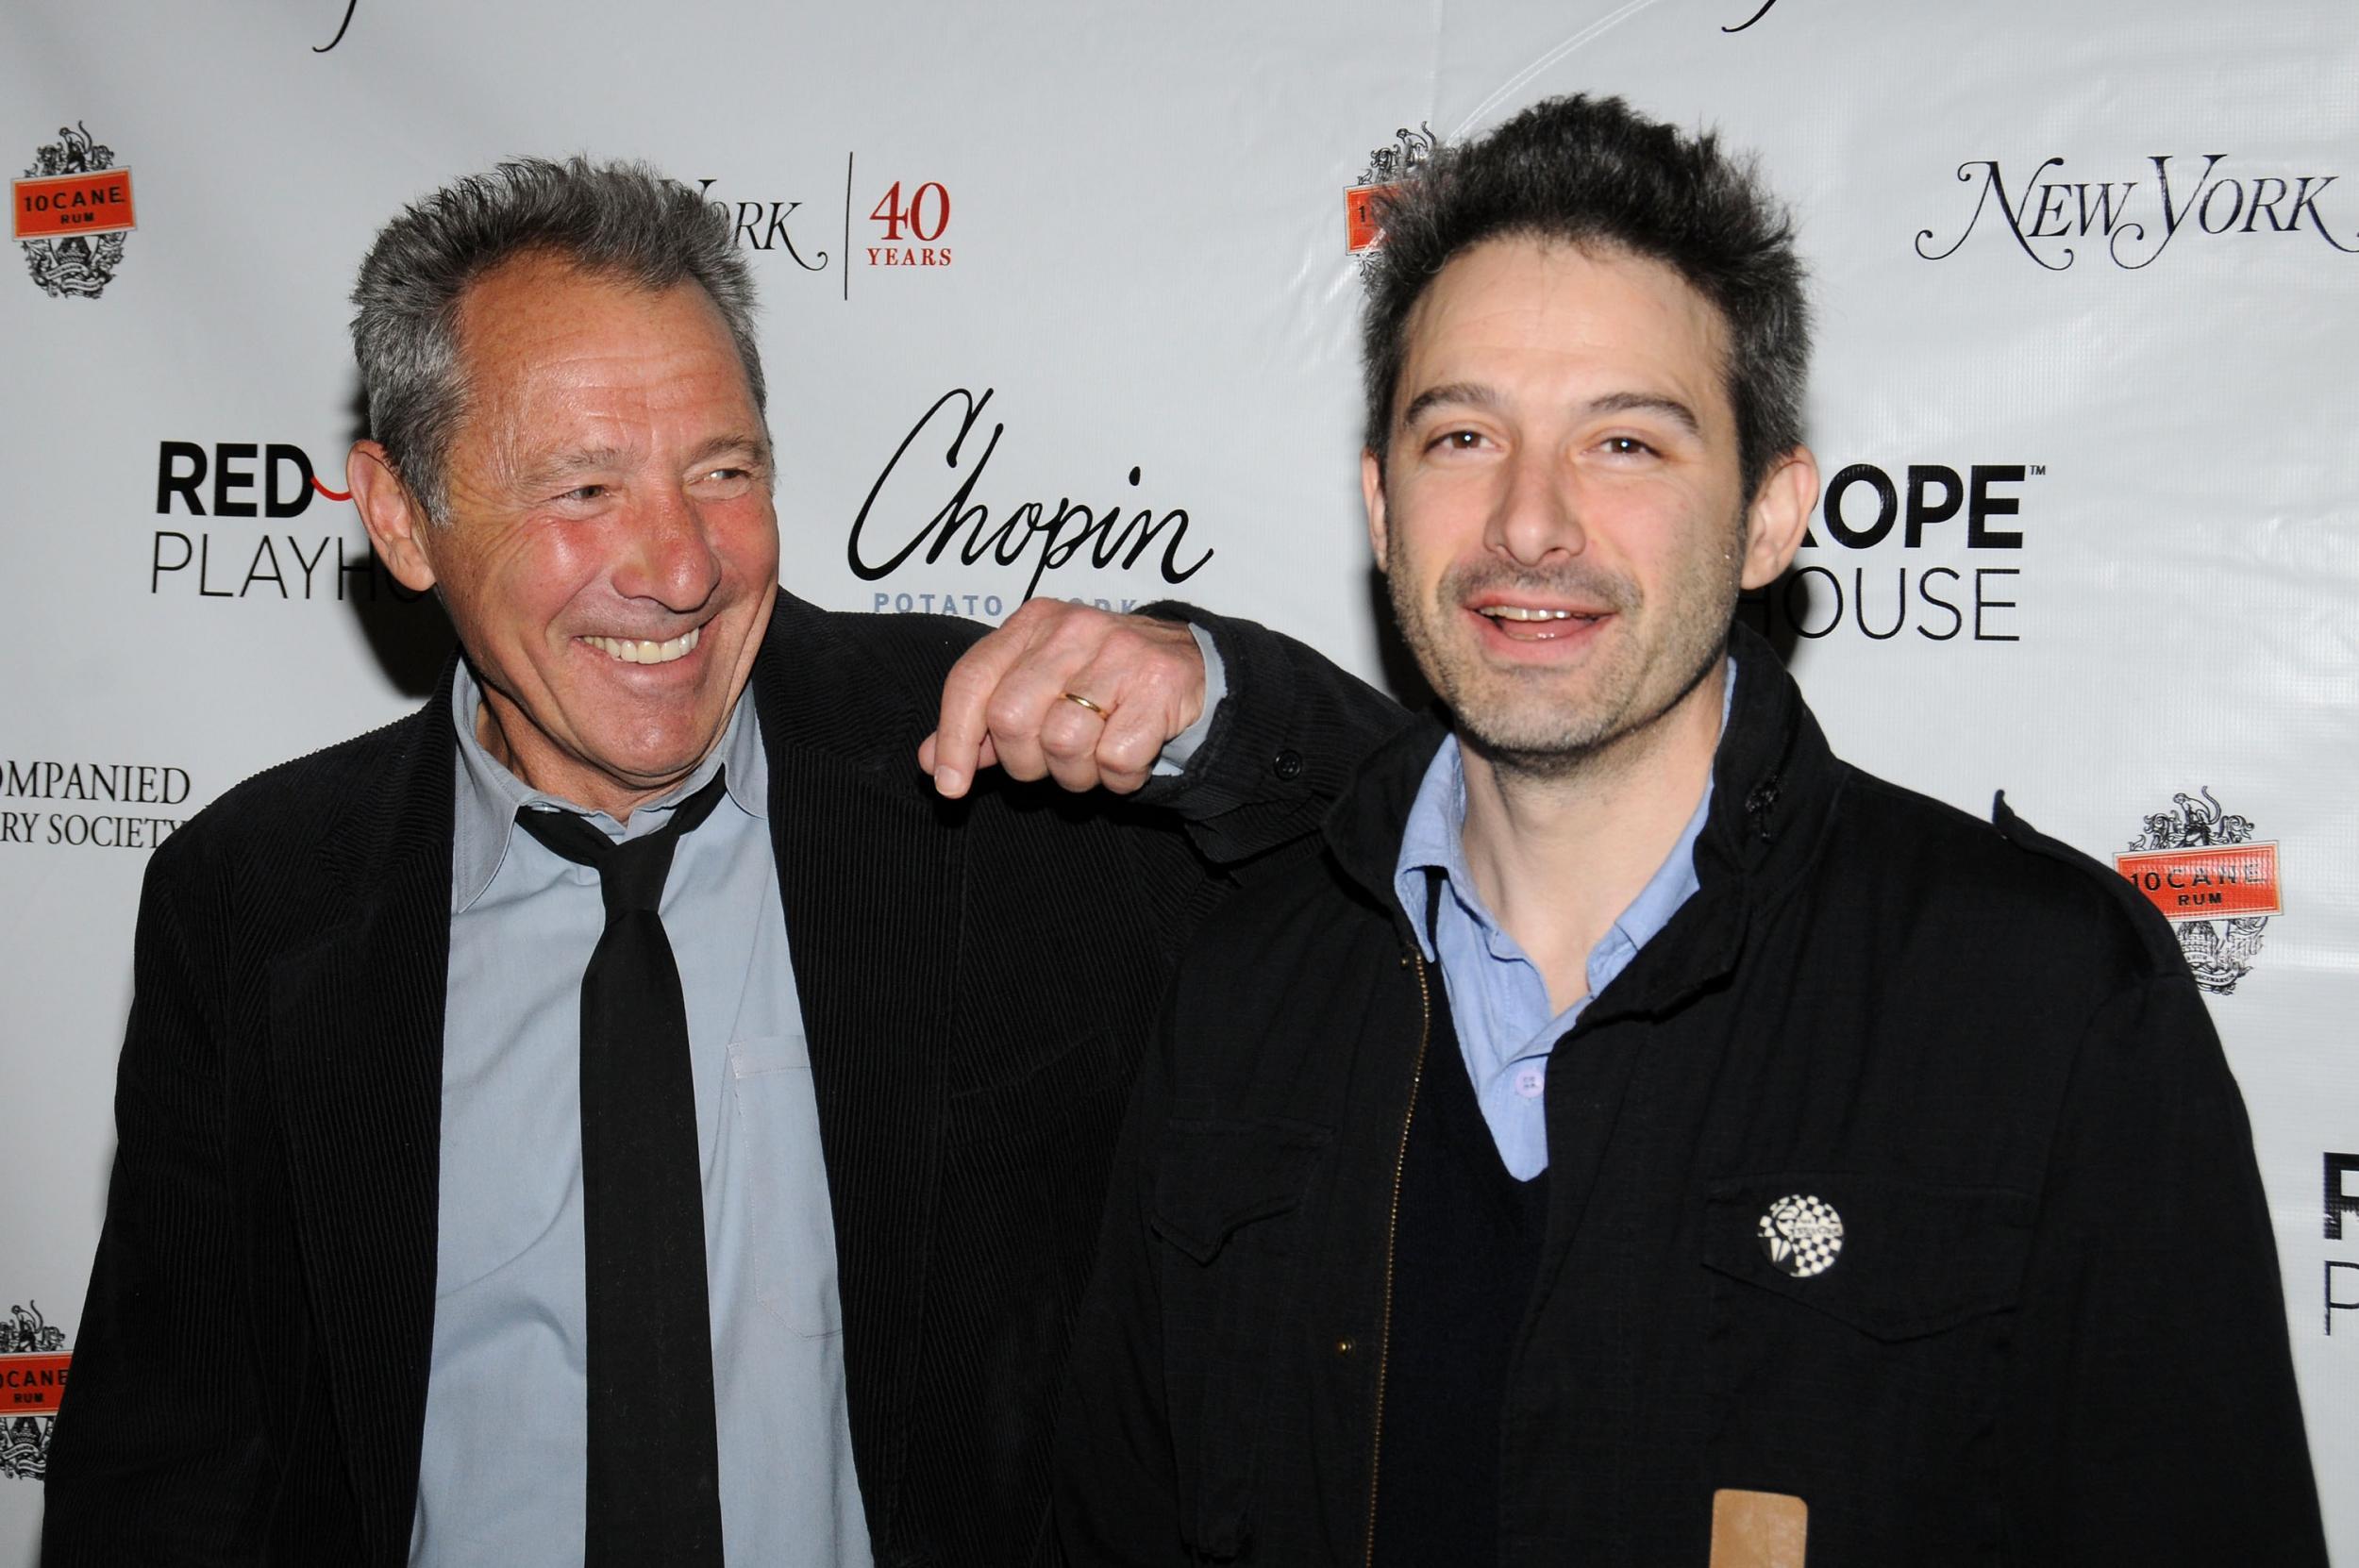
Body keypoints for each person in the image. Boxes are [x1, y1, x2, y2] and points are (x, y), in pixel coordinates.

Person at [40, 158, 1398, 1567]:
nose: (680, 567)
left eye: (724, 472)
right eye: (585, 486)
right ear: (399, 516)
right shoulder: (257, 901)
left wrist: (1211, 697)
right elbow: (175, 1473)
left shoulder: (999, 780)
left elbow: (1433, 860)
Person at [1054, 94, 2327, 1567]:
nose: (1530, 523)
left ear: (1774, 513)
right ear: (1382, 508)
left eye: (1627, 446)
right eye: (1463, 434)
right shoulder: (1243, 1000)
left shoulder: (2043, 1005)